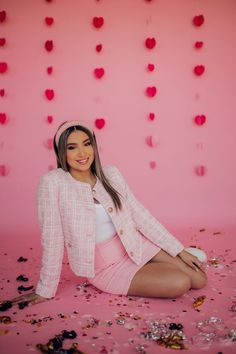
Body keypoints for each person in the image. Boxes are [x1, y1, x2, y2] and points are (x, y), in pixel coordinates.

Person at [6, 120, 207, 308]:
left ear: (94, 146)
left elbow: (141, 215)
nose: (82, 152)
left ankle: (168, 261)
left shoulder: (111, 174)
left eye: (86, 144)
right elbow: (52, 238)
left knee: (199, 279)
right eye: (71, 147)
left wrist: (178, 250)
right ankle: (160, 270)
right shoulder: (53, 183)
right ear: (61, 153)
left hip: (135, 245)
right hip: (106, 266)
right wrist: (45, 290)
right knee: (181, 282)